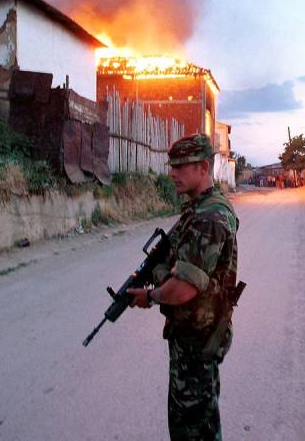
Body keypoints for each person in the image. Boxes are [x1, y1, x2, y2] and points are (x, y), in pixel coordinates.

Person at [127, 133, 239, 441]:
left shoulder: (208, 217)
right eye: (171, 166)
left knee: (192, 429)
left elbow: (184, 290)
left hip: (197, 342)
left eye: (181, 167)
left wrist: (149, 296)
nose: (172, 174)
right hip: (195, 336)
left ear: (203, 168)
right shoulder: (203, 208)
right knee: (198, 423)